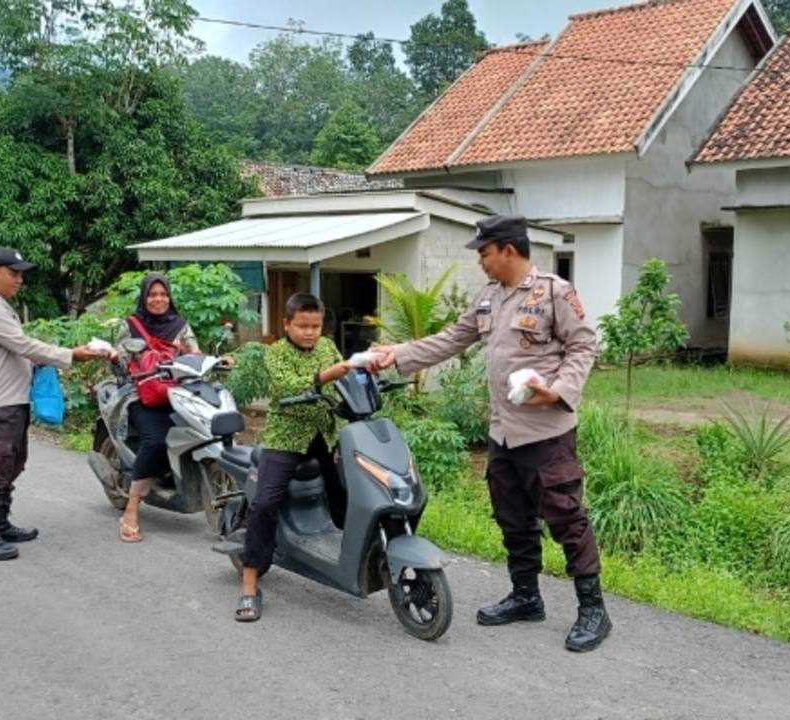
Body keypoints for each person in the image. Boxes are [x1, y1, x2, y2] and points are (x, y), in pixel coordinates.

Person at [368, 214, 611, 652]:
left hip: (547, 433)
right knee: (512, 518)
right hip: (504, 433)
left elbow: (583, 345)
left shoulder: (554, 292)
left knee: (566, 517)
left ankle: (593, 609)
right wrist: (397, 354)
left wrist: (557, 392)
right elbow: (450, 340)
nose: (481, 261)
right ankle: (525, 596)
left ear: (509, 250)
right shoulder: (488, 299)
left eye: (484, 252)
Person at [0, 247, 111, 561]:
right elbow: (21, 344)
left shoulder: (1, 306)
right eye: (13, 272)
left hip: (12, 400)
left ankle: (2, 523)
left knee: (11, 464)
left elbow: (15, 351)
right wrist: (70, 355)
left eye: (21, 274)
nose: (19, 279)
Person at [234, 292, 350, 622]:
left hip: (323, 433)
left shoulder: (327, 347)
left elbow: (346, 377)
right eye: (302, 326)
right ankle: (249, 583)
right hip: (285, 438)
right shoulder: (276, 353)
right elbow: (289, 387)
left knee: (344, 490)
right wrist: (329, 374)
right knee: (266, 503)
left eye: (315, 325)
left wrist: (363, 373)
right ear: (287, 324)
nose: (310, 332)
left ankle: (346, 555)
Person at [116, 272, 200, 543]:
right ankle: (131, 508)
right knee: (156, 440)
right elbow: (120, 361)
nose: (158, 299)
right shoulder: (131, 325)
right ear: (144, 297)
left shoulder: (180, 325)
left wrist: (208, 361)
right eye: (152, 294)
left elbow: (194, 354)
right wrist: (123, 359)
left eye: (163, 294)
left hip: (177, 393)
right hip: (141, 396)